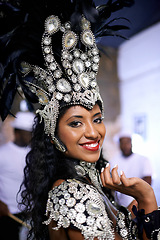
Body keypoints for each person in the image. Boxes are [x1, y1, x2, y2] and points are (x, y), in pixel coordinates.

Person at [0, 1, 160, 240]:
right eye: (76, 122)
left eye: (97, 119)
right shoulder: (74, 194)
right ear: (53, 135)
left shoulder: (84, 183)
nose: (93, 132)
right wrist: (147, 197)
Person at [0, 111, 35, 240]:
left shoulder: (36, 155)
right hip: (8, 215)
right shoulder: (2, 153)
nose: (32, 136)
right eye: (29, 132)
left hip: (31, 214)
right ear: (18, 132)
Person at [110, 130, 153, 212]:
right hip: (121, 204)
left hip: (140, 202)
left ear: (131, 143)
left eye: (127, 142)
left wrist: (131, 189)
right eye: (122, 143)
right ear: (119, 145)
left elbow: (148, 181)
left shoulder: (143, 159)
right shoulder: (114, 160)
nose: (125, 145)